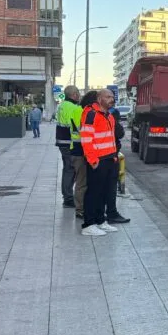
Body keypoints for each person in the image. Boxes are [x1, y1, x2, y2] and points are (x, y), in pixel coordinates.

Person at [79, 89, 120, 236]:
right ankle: (88, 224)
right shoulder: (91, 114)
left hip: (109, 159)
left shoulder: (109, 116)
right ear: (99, 98)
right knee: (93, 193)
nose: (111, 99)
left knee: (104, 193)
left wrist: (114, 157)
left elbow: (110, 139)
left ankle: (100, 221)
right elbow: (86, 139)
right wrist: (93, 160)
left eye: (112, 97)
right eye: (108, 97)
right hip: (98, 161)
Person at [73, 91, 98, 219]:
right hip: (80, 151)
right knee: (82, 182)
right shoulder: (85, 113)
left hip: (79, 150)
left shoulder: (81, 111)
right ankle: (80, 209)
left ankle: (82, 207)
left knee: (82, 181)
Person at [55, 86, 82, 208]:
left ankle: (67, 197)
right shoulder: (74, 107)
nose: (79, 96)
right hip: (69, 143)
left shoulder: (61, 105)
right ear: (74, 94)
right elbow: (76, 126)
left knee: (67, 169)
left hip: (62, 141)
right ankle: (68, 198)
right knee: (70, 170)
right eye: (78, 93)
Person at [104, 100, 130, 224]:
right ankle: (110, 213)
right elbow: (119, 133)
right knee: (109, 186)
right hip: (107, 156)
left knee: (100, 187)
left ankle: (104, 213)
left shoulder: (93, 114)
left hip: (101, 156)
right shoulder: (109, 116)